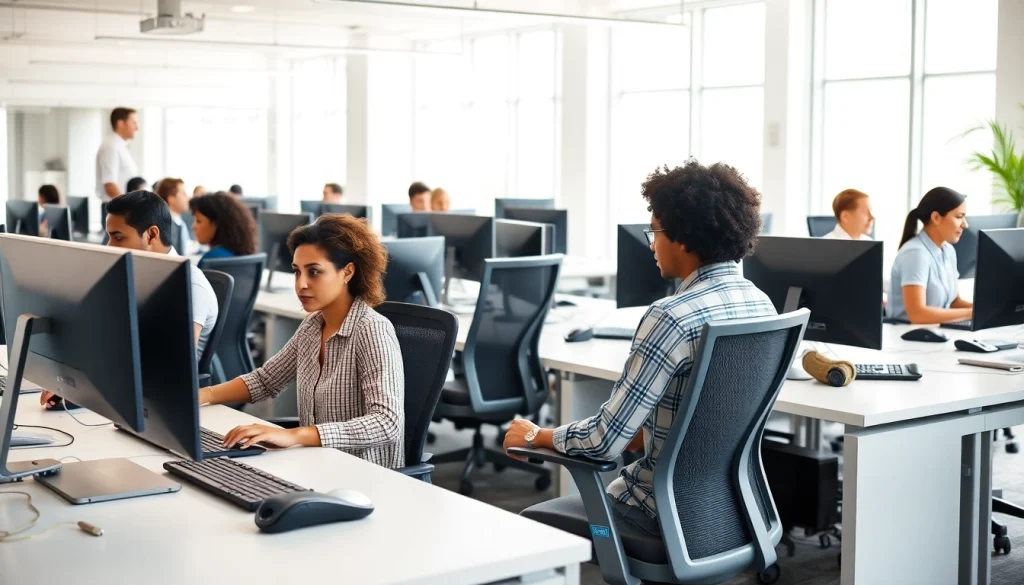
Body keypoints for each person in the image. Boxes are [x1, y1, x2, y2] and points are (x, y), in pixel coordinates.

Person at [502, 160, 776, 535]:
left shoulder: (671, 316)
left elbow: (603, 443)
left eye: (656, 230)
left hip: (654, 515)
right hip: (732, 510)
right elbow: (702, 422)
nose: (651, 243)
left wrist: (536, 435)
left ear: (682, 237)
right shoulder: (761, 303)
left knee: (528, 529)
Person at [202, 214, 405, 467]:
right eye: (297, 272)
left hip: (363, 473)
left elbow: (387, 423)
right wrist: (201, 396)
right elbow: (266, 380)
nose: (301, 284)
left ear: (348, 272)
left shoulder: (372, 330)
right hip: (317, 462)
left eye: (315, 272)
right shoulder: (313, 324)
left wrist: (295, 435)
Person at [40, 190, 219, 411]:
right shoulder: (133, 278)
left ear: (151, 235)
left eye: (118, 237)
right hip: (126, 396)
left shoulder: (189, 286)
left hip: (161, 408)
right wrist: (73, 382)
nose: (109, 246)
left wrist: (90, 388)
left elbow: (173, 370)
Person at [889, 187, 973, 324]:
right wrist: (971, 313)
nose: (965, 225)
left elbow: (953, 302)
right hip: (906, 338)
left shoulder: (948, 250)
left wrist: (983, 310)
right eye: (959, 217)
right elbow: (918, 314)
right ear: (936, 218)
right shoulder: (915, 253)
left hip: (936, 333)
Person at [188, 192, 258, 262]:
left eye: (198, 221)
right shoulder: (247, 256)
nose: (193, 227)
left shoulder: (211, 258)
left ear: (217, 224)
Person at [95, 107, 139, 201]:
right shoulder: (111, 147)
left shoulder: (120, 146)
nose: (137, 128)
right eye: (133, 123)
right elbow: (110, 185)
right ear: (121, 124)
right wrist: (128, 207)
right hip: (118, 209)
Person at [156, 178, 192, 251]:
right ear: (171, 199)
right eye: (183, 194)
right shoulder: (165, 226)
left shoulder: (180, 223)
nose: (188, 197)